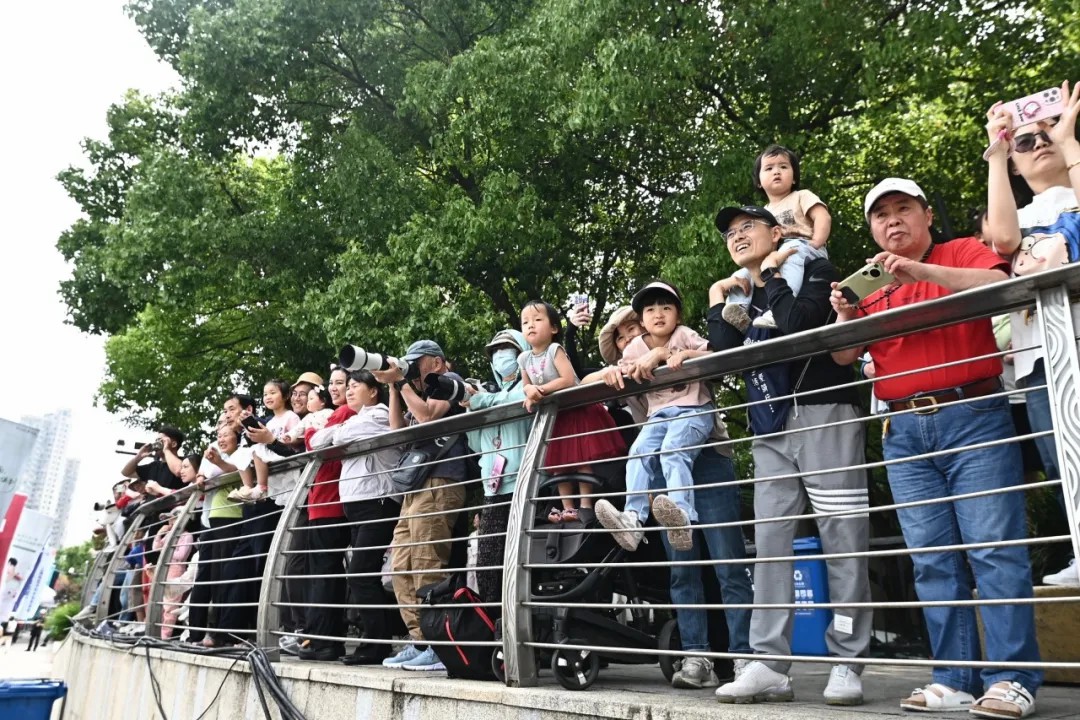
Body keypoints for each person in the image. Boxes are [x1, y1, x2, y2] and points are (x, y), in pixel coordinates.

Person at [830, 178, 1042, 718]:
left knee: (994, 550)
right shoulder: (871, 283)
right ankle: (953, 678)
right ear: (872, 228)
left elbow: (997, 283)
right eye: (881, 215)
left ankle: (1013, 678)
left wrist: (922, 273)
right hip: (903, 429)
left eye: (903, 209)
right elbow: (844, 355)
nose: (892, 220)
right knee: (931, 561)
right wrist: (847, 315)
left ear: (926, 215)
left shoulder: (960, 251)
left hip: (974, 415)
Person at [710, 205, 871, 706]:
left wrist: (774, 272)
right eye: (730, 233)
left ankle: (847, 657)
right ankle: (769, 664)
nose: (737, 236)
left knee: (843, 536)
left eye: (748, 227)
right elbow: (722, 351)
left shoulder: (816, 268)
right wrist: (719, 297)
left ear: (777, 232)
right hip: (770, 426)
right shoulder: (741, 295)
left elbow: (799, 322)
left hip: (826, 412)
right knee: (771, 542)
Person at [586, 306, 754, 690]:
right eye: (622, 337)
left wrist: (664, 354)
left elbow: (713, 359)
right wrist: (606, 374)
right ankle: (697, 656)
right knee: (682, 568)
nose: (631, 338)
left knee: (727, 562)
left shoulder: (676, 346)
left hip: (707, 458)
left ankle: (744, 655)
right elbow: (585, 380)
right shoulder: (630, 373)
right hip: (663, 472)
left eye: (633, 329)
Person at [984, 81, 1080, 587]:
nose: (1040, 142)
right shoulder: (1021, 216)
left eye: (1047, 133)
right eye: (1026, 141)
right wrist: (997, 152)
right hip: (1038, 356)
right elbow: (1003, 240)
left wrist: (1069, 142)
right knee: (1059, 458)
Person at [595, 281, 714, 552]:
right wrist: (613, 372)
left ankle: (682, 516)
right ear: (642, 320)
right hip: (658, 415)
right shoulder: (635, 347)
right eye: (650, 310)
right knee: (638, 452)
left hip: (693, 409)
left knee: (672, 450)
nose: (658, 314)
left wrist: (682, 354)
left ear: (678, 316)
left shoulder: (684, 334)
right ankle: (633, 520)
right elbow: (622, 370)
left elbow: (711, 354)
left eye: (666, 308)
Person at [372, 340, 468, 672]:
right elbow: (397, 429)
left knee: (427, 562)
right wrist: (393, 387)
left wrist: (401, 381)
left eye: (418, 362)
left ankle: (441, 646)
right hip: (416, 485)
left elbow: (428, 416)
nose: (412, 368)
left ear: (437, 363)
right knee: (400, 565)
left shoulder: (449, 382)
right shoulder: (416, 393)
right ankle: (421, 641)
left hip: (442, 480)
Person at [309, 369, 402, 666]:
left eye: (355, 385)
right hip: (358, 505)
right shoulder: (355, 419)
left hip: (378, 501)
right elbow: (318, 441)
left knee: (361, 572)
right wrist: (336, 430)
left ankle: (377, 643)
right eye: (347, 386)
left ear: (373, 391)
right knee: (362, 573)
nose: (348, 391)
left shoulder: (379, 414)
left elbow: (337, 436)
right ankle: (374, 639)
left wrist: (335, 430)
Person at [519, 300, 625, 523]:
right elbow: (526, 385)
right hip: (556, 416)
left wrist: (540, 391)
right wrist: (529, 391)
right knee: (559, 464)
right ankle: (567, 507)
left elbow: (568, 380)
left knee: (582, 459)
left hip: (576, 411)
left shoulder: (555, 350)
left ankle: (585, 504)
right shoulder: (523, 358)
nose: (531, 325)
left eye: (537, 320)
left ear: (553, 328)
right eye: (525, 322)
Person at [720, 145, 831, 331]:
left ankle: (779, 306)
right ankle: (739, 308)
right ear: (759, 182)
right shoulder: (763, 212)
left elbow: (822, 216)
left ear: (794, 177)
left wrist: (817, 241)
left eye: (783, 167)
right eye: (769, 168)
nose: (776, 172)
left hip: (803, 246)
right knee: (742, 274)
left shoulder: (801, 196)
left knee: (790, 257)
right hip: (778, 253)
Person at [463, 328, 533, 604]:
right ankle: (495, 620)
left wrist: (482, 401)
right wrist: (471, 408)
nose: (501, 356)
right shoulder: (489, 396)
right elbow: (476, 445)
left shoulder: (528, 385)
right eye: (496, 352)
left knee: (522, 559)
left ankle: (524, 620)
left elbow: (521, 399)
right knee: (488, 565)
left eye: (508, 349)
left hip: (527, 485)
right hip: (493, 489)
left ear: (523, 353)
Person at [295, 366, 357, 662]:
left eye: (341, 383)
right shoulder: (339, 413)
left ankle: (322, 640)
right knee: (323, 572)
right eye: (331, 383)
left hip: (329, 502)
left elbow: (314, 444)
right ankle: (320, 638)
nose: (333, 388)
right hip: (322, 501)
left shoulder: (344, 412)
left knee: (324, 574)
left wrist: (310, 429)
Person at [277, 383, 335, 655]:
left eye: (308, 395)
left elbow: (313, 444)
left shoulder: (327, 416)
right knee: (296, 564)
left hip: (323, 500)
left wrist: (304, 435)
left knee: (310, 567)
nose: (301, 399)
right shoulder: (306, 420)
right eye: (298, 394)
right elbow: (292, 441)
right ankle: (301, 630)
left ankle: (308, 632)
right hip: (308, 499)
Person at [187, 425, 244, 647]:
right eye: (218, 436)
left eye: (226, 435)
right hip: (215, 517)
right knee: (212, 576)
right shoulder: (216, 456)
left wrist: (214, 463)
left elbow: (235, 469)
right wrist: (203, 472)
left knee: (225, 576)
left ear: (237, 437)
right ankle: (205, 632)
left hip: (233, 517)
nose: (221, 439)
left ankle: (220, 632)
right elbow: (204, 475)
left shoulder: (242, 453)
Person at [231, 379, 300, 502]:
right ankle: (247, 486)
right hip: (271, 457)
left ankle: (261, 487)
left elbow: (295, 442)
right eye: (265, 394)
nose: (268, 397)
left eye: (272, 393)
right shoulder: (270, 421)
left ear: (285, 396)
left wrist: (278, 440)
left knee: (257, 448)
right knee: (241, 452)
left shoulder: (291, 416)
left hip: (284, 456)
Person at [155, 505, 195, 639]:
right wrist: (159, 533)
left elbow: (181, 556)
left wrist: (166, 550)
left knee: (170, 605)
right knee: (160, 601)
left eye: (173, 519)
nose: (170, 522)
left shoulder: (187, 536)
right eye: (170, 519)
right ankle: (158, 631)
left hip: (176, 569)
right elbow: (156, 547)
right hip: (164, 568)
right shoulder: (169, 535)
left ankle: (165, 635)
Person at [121, 425, 186, 497]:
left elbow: (178, 471)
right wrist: (138, 457)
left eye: (161, 441)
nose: (156, 444)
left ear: (173, 444)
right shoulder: (153, 466)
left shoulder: (185, 462)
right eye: (156, 441)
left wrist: (166, 449)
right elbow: (126, 472)